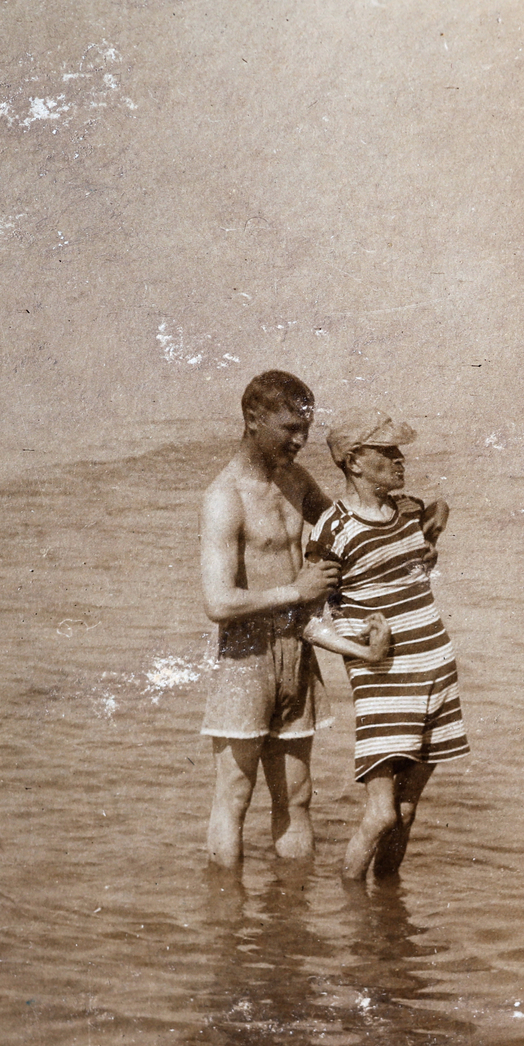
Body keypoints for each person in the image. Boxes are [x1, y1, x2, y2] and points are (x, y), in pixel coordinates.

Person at [199, 371, 389, 867]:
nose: (302, 440)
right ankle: (225, 932)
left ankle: (292, 925)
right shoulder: (225, 498)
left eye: (306, 427)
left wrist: (410, 526)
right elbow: (218, 602)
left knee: (298, 798)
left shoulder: (295, 480)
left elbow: (347, 531)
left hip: (298, 653)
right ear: (252, 420)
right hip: (245, 661)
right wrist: (297, 590)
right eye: (289, 428)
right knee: (234, 798)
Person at [304, 410, 469, 881]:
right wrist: (364, 653)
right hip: (384, 676)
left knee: (408, 811)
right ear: (355, 462)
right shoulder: (334, 530)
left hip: (436, 664)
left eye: (399, 452)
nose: (400, 461)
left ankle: (388, 928)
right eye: (388, 453)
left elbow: (439, 506)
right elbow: (308, 621)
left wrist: (431, 538)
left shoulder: (407, 509)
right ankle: (355, 918)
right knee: (381, 816)